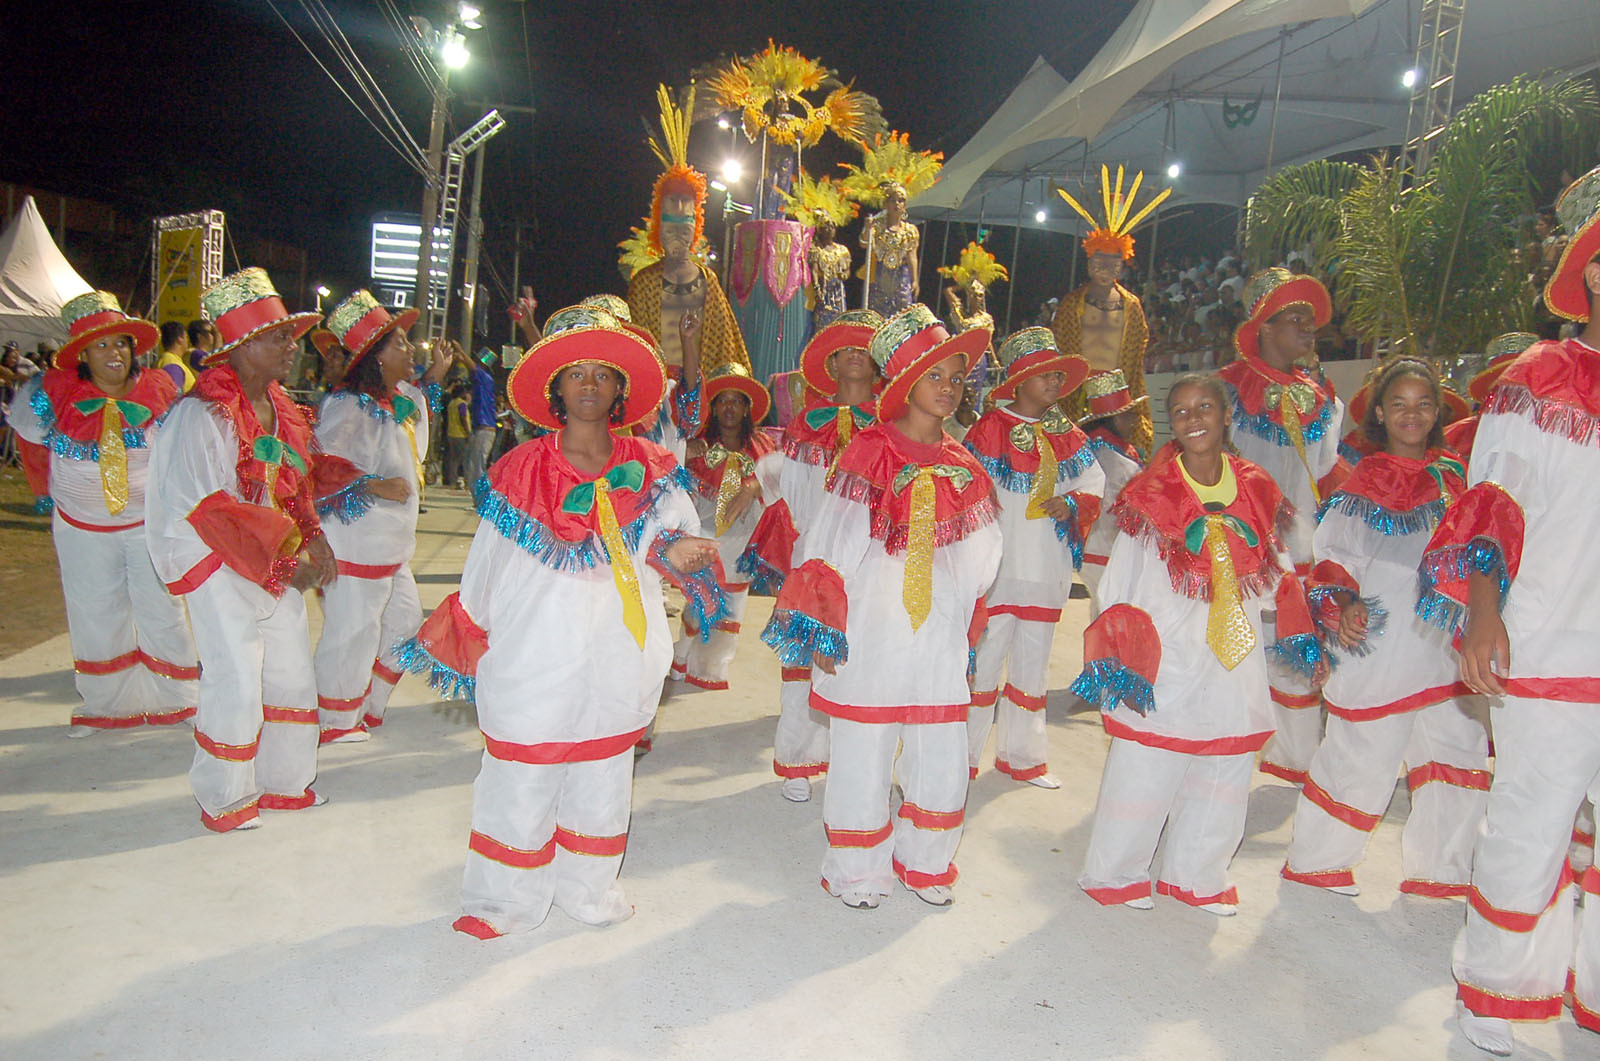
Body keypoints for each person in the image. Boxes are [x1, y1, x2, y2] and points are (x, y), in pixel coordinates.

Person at [394, 303, 722, 937]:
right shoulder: (520, 468)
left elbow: (671, 537)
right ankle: (504, 900)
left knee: (603, 769)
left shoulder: (652, 465)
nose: (592, 385)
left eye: (604, 373)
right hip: (535, 647)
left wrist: (676, 552)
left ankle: (589, 888)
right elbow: (486, 567)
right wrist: (477, 632)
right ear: (556, 389)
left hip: (620, 645)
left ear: (622, 386)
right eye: (578, 373)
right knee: (524, 765)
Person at [1423, 165, 1600, 1056]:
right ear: (1593, 273)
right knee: (1531, 821)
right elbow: (1490, 504)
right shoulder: (1542, 376)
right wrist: (1482, 615)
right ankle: (1500, 1000)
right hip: (1551, 645)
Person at [763, 303, 1000, 909]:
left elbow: (980, 563)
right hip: (873, 620)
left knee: (941, 744)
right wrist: (822, 619)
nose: (948, 390)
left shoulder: (965, 466)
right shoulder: (869, 450)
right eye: (934, 377)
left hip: (937, 627)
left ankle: (925, 861)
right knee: (864, 746)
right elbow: (832, 542)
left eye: (956, 378)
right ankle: (858, 868)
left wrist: (961, 617)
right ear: (903, 384)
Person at [1073, 374, 1325, 915]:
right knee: (1149, 758)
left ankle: (1196, 876)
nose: (1193, 419)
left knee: (1228, 759)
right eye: (1181, 411)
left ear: (1226, 414)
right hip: (1170, 643)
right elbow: (1124, 576)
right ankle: (1116, 872)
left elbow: (1276, 567)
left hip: (1236, 646)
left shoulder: (1257, 485)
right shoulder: (1153, 491)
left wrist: (1298, 627)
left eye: (1204, 407)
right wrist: (1132, 645)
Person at [1281, 357, 1487, 900]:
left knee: (1455, 748)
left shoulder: (1456, 479)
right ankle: (1319, 860)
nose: (1411, 414)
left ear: (1438, 411)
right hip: (1381, 639)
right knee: (1364, 747)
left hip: (1444, 642)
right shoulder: (1363, 483)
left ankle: (1444, 869)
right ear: (1379, 412)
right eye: (1399, 404)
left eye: (1423, 404)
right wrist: (1343, 603)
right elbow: (1333, 559)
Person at [145, 267, 335, 832]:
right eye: (279, 336)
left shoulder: (285, 413)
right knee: (235, 667)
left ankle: (284, 782)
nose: (290, 347)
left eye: (290, 335)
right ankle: (225, 796)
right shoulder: (200, 414)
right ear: (241, 346)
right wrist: (286, 554)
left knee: (292, 667)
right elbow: (210, 509)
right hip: (210, 553)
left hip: (265, 557)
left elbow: (293, 489)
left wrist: (315, 538)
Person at [7, 291, 199, 733]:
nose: (115, 353)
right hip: (81, 528)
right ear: (82, 355)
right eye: (101, 345)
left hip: (146, 525)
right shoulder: (49, 395)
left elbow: (181, 452)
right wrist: (43, 493)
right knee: (95, 610)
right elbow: (30, 444)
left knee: (162, 609)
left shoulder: (161, 390)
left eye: (122, 343)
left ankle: (178, 700)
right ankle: (108, 704)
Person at [742, 309, 883, 802]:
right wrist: (816, 541)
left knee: (855, 659)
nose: (854, 358)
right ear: (832, 362)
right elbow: (797, 488)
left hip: (871, 557)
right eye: (845, 350)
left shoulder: (890, 424)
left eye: (864, 350)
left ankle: (851, 760)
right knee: (803, 658)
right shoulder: (807, 421)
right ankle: (797, 760)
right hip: (813, 552)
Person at [1216, 267, 1344, 784]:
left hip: (1299, 546)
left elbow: (1328, 472)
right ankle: (1221, 756)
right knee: (1233, 650)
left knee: (1294, 652)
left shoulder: (1326, 403)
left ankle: (1296, 761)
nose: (1307, 331)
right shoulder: (1224, 389)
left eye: (1310, 322)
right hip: (1236, 545)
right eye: (1294, 319)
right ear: (1264, 326)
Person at [308, 290, 449, 744]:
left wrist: (436, 378)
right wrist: (374, 485)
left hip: (390, 545)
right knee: (352, 628)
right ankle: (333, 719)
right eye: (400, 343)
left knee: (405, 624)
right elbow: (323, 464)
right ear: (374, 356)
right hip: (357, 541)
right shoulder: (349, 405)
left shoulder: (392, 402)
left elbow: (421, 406)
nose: (410, 350)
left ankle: (362, 704)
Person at [962, 328, 1100, 788]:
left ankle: (1023, 757)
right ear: (1017, 382)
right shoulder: (988, 429)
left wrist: (1076, 504)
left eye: (1058, 375)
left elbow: (1094, 484)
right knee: (983, 665)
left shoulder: (1071, 436)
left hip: (1046, 570)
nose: (1055, 383)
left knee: (1032, 668)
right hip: (998, 573)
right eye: (1045, 375)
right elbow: (968, 489)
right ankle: (960, 758)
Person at [626, 85, 752, 376]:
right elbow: (635, 350)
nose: (677, 237)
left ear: (696, 229)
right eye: (670, 228)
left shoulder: (709, 283)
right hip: (656, 401)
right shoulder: (643, 285)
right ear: (658, 226)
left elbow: (726, 348)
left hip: (701, 395)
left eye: (684, 229)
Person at [670, 363, 778, 691]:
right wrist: (684, 453)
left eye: (737, 400)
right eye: (722, 400)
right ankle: (682, 653)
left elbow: (779, 482)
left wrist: (755, 485)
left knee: (730, 608)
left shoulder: (763, 448)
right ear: (713, 407)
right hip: (704, 538)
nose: (729, 407)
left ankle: (711, 668)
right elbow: (669, 477)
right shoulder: (695, 447)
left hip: (743, 542)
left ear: (747, 408)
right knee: (699, 605)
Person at [1052, 165, 1169, 455]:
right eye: (1099, 260)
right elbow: (1061, 354)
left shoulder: (1131, 306)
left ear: (1122, 263)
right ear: (1089, 260)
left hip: (1118, 397)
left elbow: (1136, 355)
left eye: (1112, 261)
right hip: (1077, 399)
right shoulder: (1071, 306)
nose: (1105, 267)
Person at [1076, 369, 1148, 609]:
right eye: (1130, 416)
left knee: (1100, 613)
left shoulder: (1086, 452)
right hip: (1110, 552)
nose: (1135, 422)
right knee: (1114, 619)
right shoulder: (1121, 463)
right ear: (1117, 419)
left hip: (1088, 551)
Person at [1444, 332, 1538, 464]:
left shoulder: (1562, 438)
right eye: (1506, 388)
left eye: (1527, 386)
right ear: (1490, 394)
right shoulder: (1455, 437)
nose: (1516, 397)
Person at [861, 180, 920, 317]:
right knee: (878, 316)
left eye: (900, 201)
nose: (897, 204)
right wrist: (867, 229)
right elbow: (864, 244)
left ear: (905, 205)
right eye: (893, 200)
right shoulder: (877, 227)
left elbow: (912, 257)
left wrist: (915, 279)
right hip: (881, 276)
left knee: (903, 316)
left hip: (901, 277)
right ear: (886, 204)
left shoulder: (910, 231)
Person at [456, 343, 497, 487]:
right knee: (472, 464)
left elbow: (473, 367)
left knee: (478, 465)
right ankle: (477, 498)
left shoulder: (485, 378)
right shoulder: (481, 381)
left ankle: (482, 498)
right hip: (481, 428)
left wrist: (461, 350)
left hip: (485, 429)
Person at [443, 383, 472, 488]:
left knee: (453, 460)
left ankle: (452, 481)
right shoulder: (462, 404)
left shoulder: (451, 403)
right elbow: (463, 417)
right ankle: (467, 483)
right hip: (460, 434)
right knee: (464, 459)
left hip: (451, 433)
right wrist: (468, 432)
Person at [155, 321, 195, 392]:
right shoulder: (172, 365)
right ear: (179, 339)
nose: (188, 341)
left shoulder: (169, 360)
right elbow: (173, 396)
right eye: (186, 337)